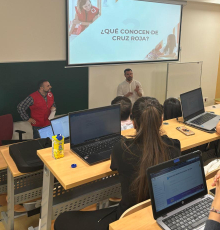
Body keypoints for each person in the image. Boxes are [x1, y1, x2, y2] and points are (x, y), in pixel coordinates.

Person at [54, 97, 181, 230]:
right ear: (161, 120)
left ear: (133, 123)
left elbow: (113, 165)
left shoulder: (122, 149)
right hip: (159, 216)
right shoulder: (175, 146)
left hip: (126, 221)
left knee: (62, 220)